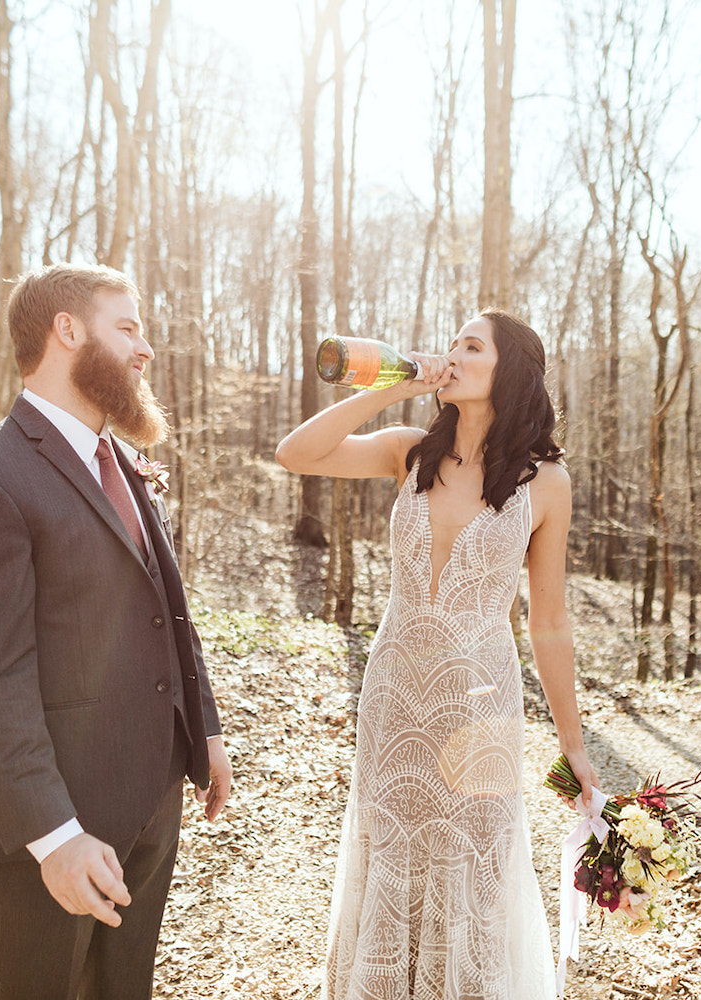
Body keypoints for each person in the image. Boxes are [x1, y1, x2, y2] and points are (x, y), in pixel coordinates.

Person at [0, 262, 232, 1000]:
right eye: (128, 327)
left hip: (154, 794)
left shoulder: (118, 460)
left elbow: (165, 608)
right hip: (57, 820)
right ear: (67, 330)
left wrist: (204, 728)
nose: (145, 348)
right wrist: (55, 837)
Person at [277, 309, 598, 1000]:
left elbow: (548, 621)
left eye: (470, 345)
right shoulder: (409, 448)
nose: (453, 354)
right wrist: (392, 386)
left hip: (480, 704)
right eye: (452, 343)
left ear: (508, 370)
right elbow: (295, 454)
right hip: (393, 700)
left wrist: (573, 744)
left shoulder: (546, 484)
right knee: (390, 857)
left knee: (472, 871)